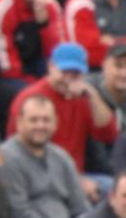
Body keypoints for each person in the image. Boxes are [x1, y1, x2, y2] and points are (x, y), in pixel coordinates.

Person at [7, 41, 118, 190]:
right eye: (64, 72)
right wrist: (76, 182)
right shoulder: (30, 98)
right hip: (38, 178)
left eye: (75, 74)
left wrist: (92, 95)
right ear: (51, 67)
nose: (68, 78)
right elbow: (20, 151)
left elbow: (108, 134)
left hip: (77, 175)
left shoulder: (83, 97)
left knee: (118, 191)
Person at [0, 94, 90, 218]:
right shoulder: (7, 156)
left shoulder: (62, 157)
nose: (40, 125)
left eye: (46, 120)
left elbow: (80, 206)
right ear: (19, 122)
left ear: (55, 122)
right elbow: (19, 214)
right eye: (33, 120)